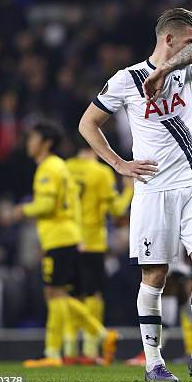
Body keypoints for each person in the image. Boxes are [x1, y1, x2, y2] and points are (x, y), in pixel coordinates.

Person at [79, 8, 192, 382]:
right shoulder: (126, 80)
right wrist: (119, 164)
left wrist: (165, 70)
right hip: (153, 189)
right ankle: (153, 362)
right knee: (155, 276)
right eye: (186, 40)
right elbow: (87, 123)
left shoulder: (189, 70)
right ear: (168, 39)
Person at [13, 122, 118, 368]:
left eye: (34, 138)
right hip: (68, 236)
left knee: (55, 293)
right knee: (60, 293)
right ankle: (95, 337)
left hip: (59, 237)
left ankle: (57, 351)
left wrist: (21, 210)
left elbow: (46, 205)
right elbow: (75, 204)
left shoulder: (49, 168)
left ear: (46, 143)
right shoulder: (60, 166)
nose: (29, 143)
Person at [64, 140, 134, 364]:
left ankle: (70, 349)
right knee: (93, 295)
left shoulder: (64, 168)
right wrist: (129, 191)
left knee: (71, 295)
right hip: (92, 242)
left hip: (67, 240)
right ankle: (92, 349)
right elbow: (116, 210)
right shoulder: (101, 173)